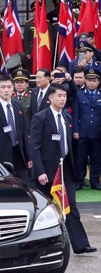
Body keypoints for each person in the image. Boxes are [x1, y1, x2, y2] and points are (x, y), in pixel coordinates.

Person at [30, 84, 96, 255]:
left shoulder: (66, 117)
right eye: (59, 96)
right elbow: (34, 147)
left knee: (71, 205)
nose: (62, 99)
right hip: (47, 170)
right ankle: (39, 245)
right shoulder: (41, 117)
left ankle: (81, 244)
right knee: (44, 208)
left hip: (65, 167)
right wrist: (40, 171)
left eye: (64, 96)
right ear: (50, 98)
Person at [72, 68, 101, 190]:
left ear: (98, 81)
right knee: (80, 159)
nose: (92, 83)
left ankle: (95, 181)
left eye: (94, 80)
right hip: (82, 132)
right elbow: (75, 114)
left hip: (97, 132)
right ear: (85, 81)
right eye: (89, 80)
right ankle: (79, 181)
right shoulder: (79, 94)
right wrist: (75, 130)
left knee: (97, 158)